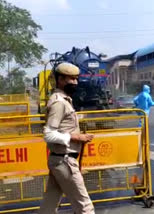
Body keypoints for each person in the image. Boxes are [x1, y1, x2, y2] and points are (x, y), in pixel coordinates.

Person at [39, 62, 95, 214]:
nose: (75, 83)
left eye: (76, 79)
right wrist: (76, 137)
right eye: (71, 79)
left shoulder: (64, 101)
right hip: (65, 161)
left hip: (60, 160)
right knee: (85, 207)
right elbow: (49, 134)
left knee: (49, 206)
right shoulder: (59, 103)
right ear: (60, 79)